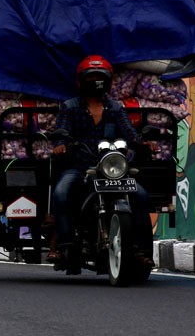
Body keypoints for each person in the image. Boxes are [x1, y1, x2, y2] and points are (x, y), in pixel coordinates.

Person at [46, 55, 155, 271]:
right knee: (61, 192)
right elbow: (62, 131)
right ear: (80, 81)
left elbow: (129, 132)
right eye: (91, 76)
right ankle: (65, 245)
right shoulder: (70, 107)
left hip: (113, 169)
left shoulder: (115, 108)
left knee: (141, 196)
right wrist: (61, 143)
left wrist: (143, 143)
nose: (96, 81)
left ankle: (141, 251)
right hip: (80, 168)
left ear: (109, 81)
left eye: (100, 77)